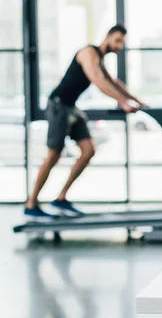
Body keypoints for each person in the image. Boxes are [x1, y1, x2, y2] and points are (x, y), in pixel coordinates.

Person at [24, 24, 145, 220]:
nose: (120, 46)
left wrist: (138, 102)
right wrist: (122, 102)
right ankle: (31, 204)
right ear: (108, 37)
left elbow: (114, 83)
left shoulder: (100, 60)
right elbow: (98, 80)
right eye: (118, 41)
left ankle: (60, 199)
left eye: (122, 42)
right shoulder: (88, 53)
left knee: (88, 150)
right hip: (58, 105)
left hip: (71, 107)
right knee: (54, 155)